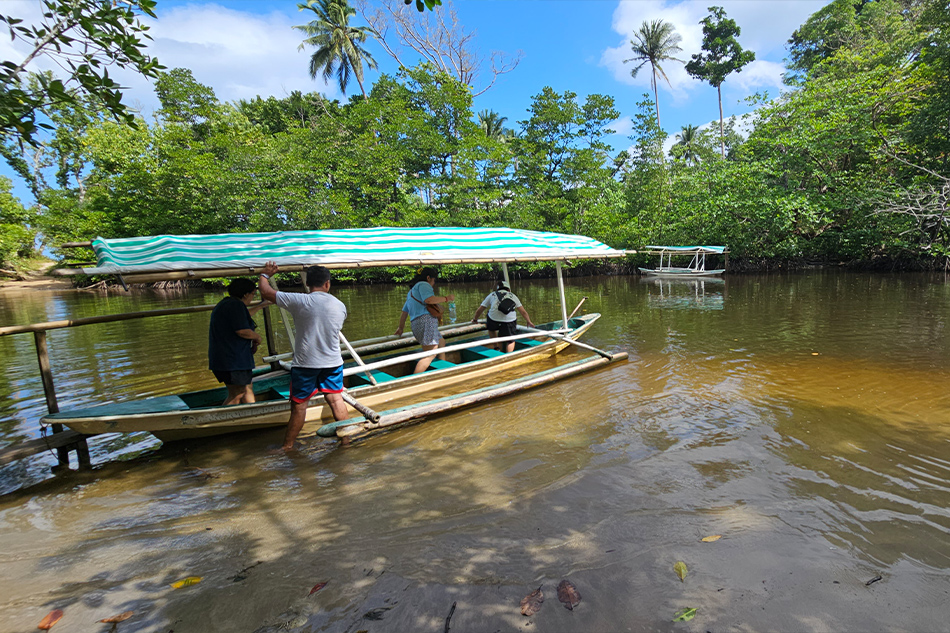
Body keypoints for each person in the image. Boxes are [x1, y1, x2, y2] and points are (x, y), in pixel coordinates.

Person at [258, 261, 348, 451]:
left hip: (306, 363)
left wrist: (265, 275)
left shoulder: (301, 301)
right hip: (332, 362)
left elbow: (266, 292)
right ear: (327, 284)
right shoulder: (339, 305)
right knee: (336, 399)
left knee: (299, 407)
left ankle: (288, 446)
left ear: (308, 284)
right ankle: (346, 440)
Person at [208, 278, 266, 405]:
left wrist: (261, 306)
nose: (252, 297)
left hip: (227, 359)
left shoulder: (227, 304)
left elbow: (243, 316)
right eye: (252, 294)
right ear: (246, 294)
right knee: (237, 393)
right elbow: (242, 331)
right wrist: (257, 337)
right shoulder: (236, 306)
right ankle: (221, 420)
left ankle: (253, 414)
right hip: (232, 361)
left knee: (247, 387)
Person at [394, 267, 455, 374]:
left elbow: (404, 312)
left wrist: (401, 328)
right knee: (431, 353)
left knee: (441, 342)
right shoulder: (423, 284)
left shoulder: (411, 292)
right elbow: (429, 299)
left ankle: (443, 369)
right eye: (434, 280)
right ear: (428, 278)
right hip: (426, 322)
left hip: (416, 325)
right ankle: (414, 379)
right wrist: (446, 298)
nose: (434, 283)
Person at [471, 279, 535, 353]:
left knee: (492, 328)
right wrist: (528, 321)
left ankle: (496, 347)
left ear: (498, 289)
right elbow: (523, 312)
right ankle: (509, 355)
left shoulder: (492, 295)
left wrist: (475, 319)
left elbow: (480, 309)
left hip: (494, 320)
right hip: (509, 321)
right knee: (511, 339)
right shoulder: (513, 296)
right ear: (508, 289)